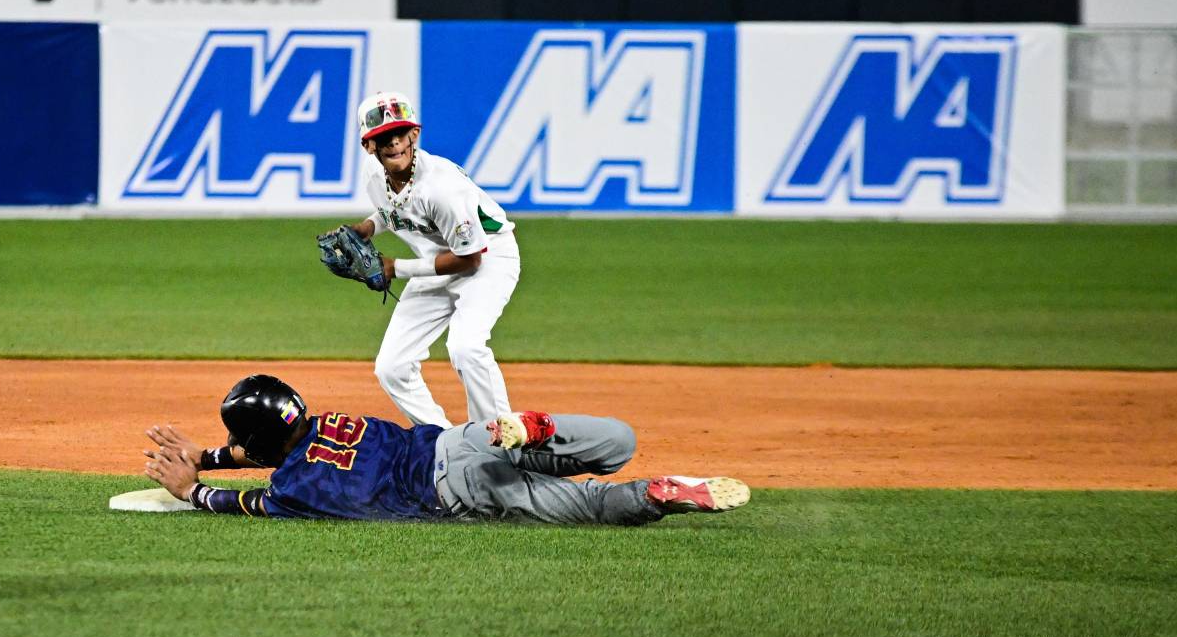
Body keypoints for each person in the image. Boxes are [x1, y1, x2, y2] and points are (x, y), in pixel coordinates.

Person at [142, 374, 749, 525]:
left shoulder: (296, 487)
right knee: (618, 440)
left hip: (457, 491)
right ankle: (533, 430)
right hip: (459, 440)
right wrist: (210, 454)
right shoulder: (326, 421)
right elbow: (277, 446)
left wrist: (194, 487)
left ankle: (655, 496)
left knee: (592, 503)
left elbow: (253, 502)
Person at [335, 89, 522, 428]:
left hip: (489, 257)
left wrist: (397, 268)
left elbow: (470, 259)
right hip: (438, 261)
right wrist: (366, 227)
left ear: (415, 134)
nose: (394, 143)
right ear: (368, 146)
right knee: (391, 366)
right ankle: (442, 442)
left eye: (400, 134)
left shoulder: (443, 188)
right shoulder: (373, 175)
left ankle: (496, 441)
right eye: (383, 137)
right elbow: (393, 208)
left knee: (466, 347)